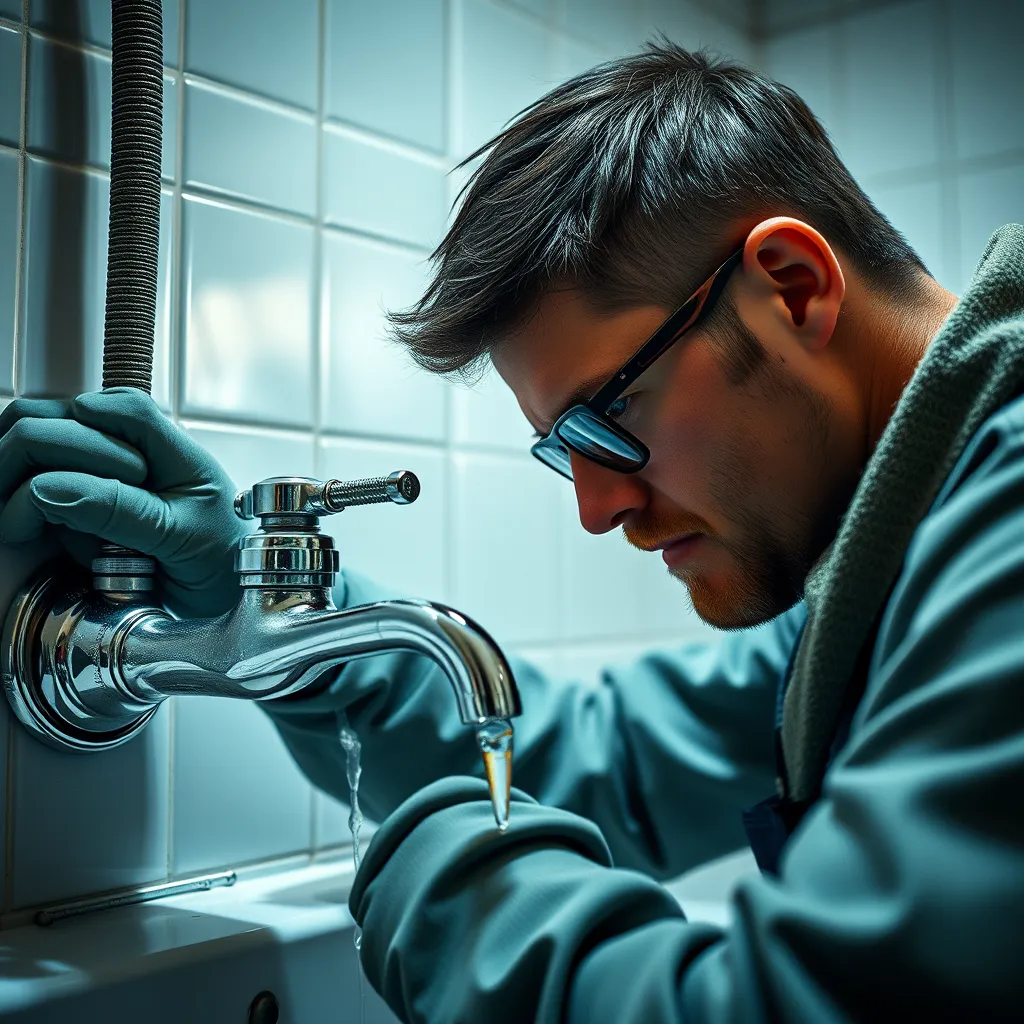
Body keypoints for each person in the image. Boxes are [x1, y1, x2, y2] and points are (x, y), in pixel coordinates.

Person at [2, 42, 1023, 1021]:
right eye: (558, 449)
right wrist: (263, 605)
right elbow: (605, 763)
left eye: (606, 418)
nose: (595, 508)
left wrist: (451, 884)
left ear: (792, 288)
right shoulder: (900, 578)